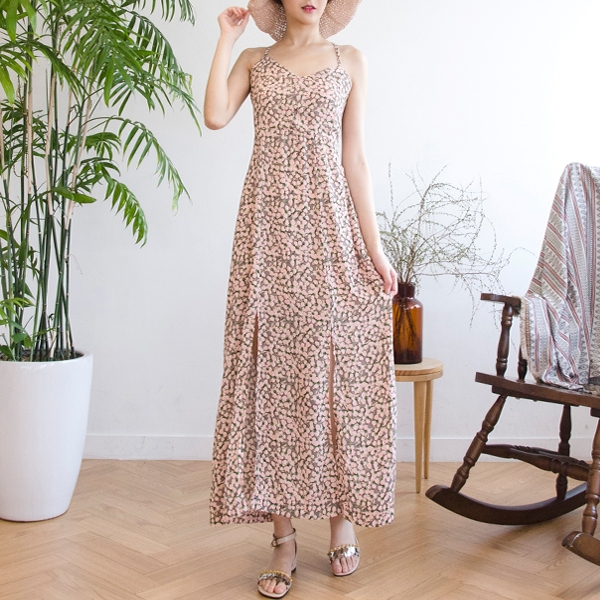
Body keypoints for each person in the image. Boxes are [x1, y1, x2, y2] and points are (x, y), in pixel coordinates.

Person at [205, 1, 397, 597]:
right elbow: (215, 115)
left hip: (331, 231)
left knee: (336, 373)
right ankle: (283, 538)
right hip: (267, 235)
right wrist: (225, 38)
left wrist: (376, 250)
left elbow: (355, 158)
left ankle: (342, 520)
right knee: (275, 377)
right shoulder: (255, 60)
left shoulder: (350, 60)